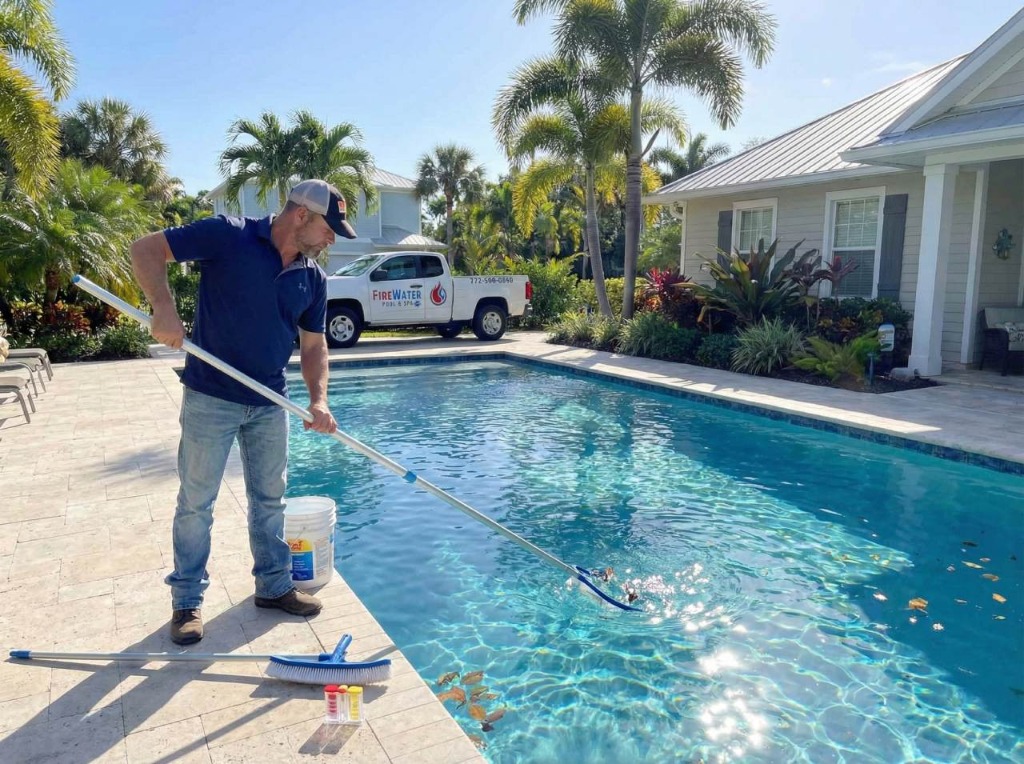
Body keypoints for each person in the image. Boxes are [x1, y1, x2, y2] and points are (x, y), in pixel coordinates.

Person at [130, 179, 353, 645]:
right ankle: (186, 601)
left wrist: (318, 400)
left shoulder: (312, 278)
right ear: (301, 215)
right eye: (328, 228)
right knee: (197, 503)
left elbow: (315, 346)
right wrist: (163, 309)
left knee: (271, 500)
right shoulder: (228, 235)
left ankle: (273, 586)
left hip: (270, 401)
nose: (332, 238)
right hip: (211, 397)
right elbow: (146, 249)